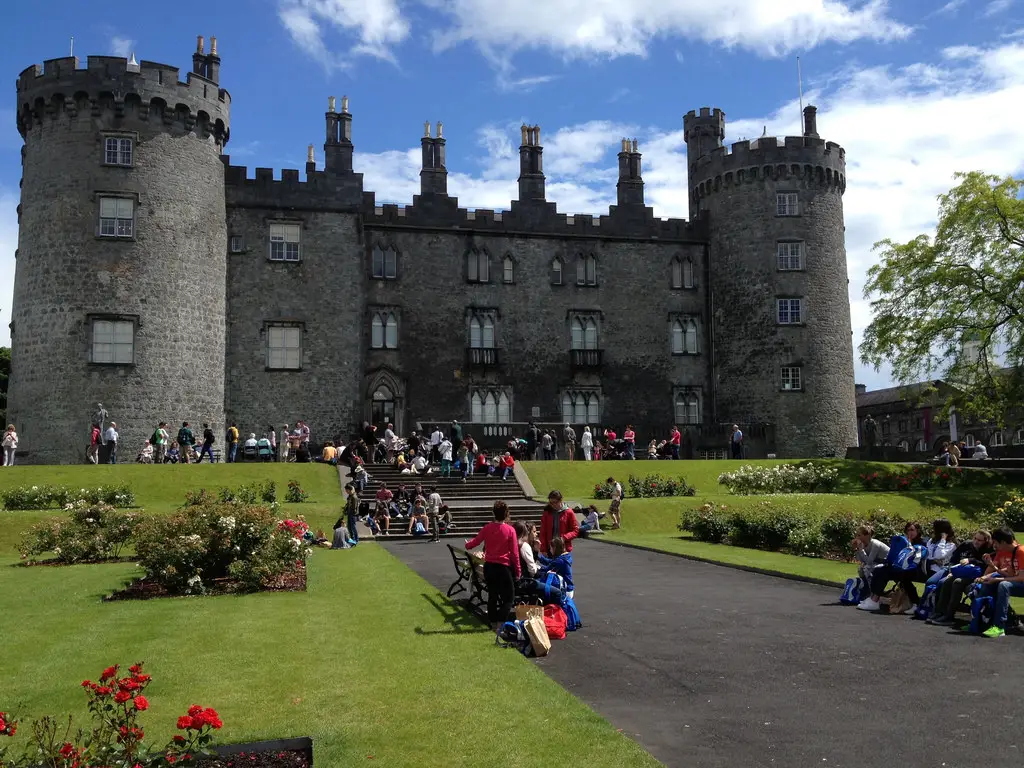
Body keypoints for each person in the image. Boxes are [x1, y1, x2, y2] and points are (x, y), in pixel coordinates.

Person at [464, 501, 521, 630]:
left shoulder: (487, 528)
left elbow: (476, 541)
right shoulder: (510, 530)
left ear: (493, 514)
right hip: (503, 567)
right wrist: (518, 571)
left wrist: (468, 545)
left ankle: (493, 621)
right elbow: (514, 553)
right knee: (509, 598)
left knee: (492, 596)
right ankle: (500, 621)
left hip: (489, 566)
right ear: (507, 514)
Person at [857, 521, 928, 612]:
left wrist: (909, 546)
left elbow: (917, 559)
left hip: (915, 569)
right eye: (908, 530)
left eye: (912, 530)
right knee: (880, 571)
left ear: (917, 531)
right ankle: (874, 598)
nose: (910, 532)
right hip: (901, 568)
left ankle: (915, 603)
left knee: (902, 577)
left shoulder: (922, 543)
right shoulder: (902, 541)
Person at [928, 529, 994, 626]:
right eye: (975, 538)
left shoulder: (988, 551)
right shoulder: (966, 545)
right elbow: (953, 559)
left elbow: (986, 566)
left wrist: (971, 560)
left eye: (979, 540)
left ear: (986, 541)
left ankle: (949, 616)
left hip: (977, 575)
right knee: (946, 581)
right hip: (960, 571)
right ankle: (939, 612)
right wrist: (951, 570)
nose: (976, 541)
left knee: (957, 582)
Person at [975, 526, 1024, 638]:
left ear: (1002, 542)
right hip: (1020, 583)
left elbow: (1021, 578)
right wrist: (994, 569)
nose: (995, 546)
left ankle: (1000, 626)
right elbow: (1011, 575)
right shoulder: (1012, 552)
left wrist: (997, 579)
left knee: (1003, 585)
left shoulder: (1021, 552)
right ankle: (979, 622)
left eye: (996, 543)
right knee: (989, 582)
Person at [539, 490, 580, 556]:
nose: (553, 505)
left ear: (560, 500)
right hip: (550, 549)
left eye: (555, 502)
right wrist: (543, 549)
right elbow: (543, 532)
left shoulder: (569, 512)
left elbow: (575, 530)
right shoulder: (547, 513)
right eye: (551, 503)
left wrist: (564, 537)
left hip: (564, 549)